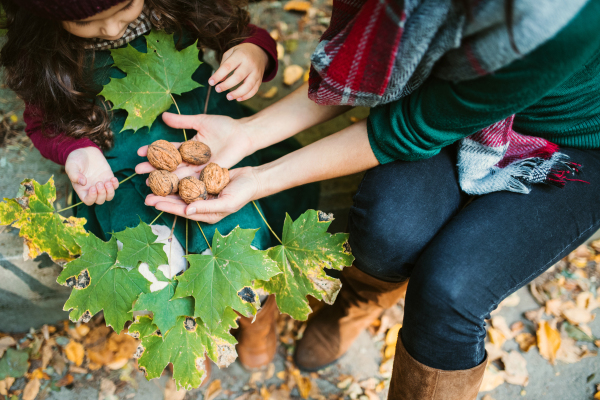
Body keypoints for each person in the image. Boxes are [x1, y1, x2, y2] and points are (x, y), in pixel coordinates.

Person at [140, 0, 600, 397]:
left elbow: (411, 128)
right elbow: (373, 68)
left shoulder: (550, 18)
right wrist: (246, 134)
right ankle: (358, 305)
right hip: (443, 105)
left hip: (565, 141)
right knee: (388, 226)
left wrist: (257, 179)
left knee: (449, 292)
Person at [0, 0, 318, 379]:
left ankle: (251, 317)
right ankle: (174, 330)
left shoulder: (178, 7)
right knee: (150, 263)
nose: (113, 30)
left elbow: (244, 33)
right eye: (88, 24)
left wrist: (253, 53)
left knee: (238, 241)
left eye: (123, 10)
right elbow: (43, 125)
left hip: (209, 139)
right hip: (123, 162)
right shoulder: (49, 53)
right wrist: (76, 151)